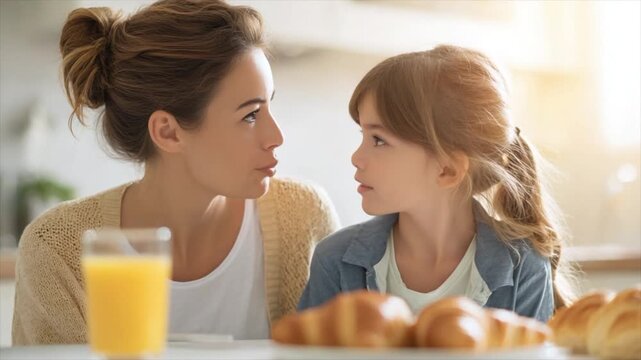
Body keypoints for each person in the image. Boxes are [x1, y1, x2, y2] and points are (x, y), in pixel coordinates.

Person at [13, 0, 339, 345]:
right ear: (168, 132)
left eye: (269, 105)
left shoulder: (303, 218)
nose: (277, 137)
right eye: (250, 115)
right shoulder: (56, 251)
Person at [298, 45, 574, 322]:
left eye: (379, 140)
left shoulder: (523, 266)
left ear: (448, 170)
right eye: (363, 135)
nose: (356, 157)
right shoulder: (334, 260)